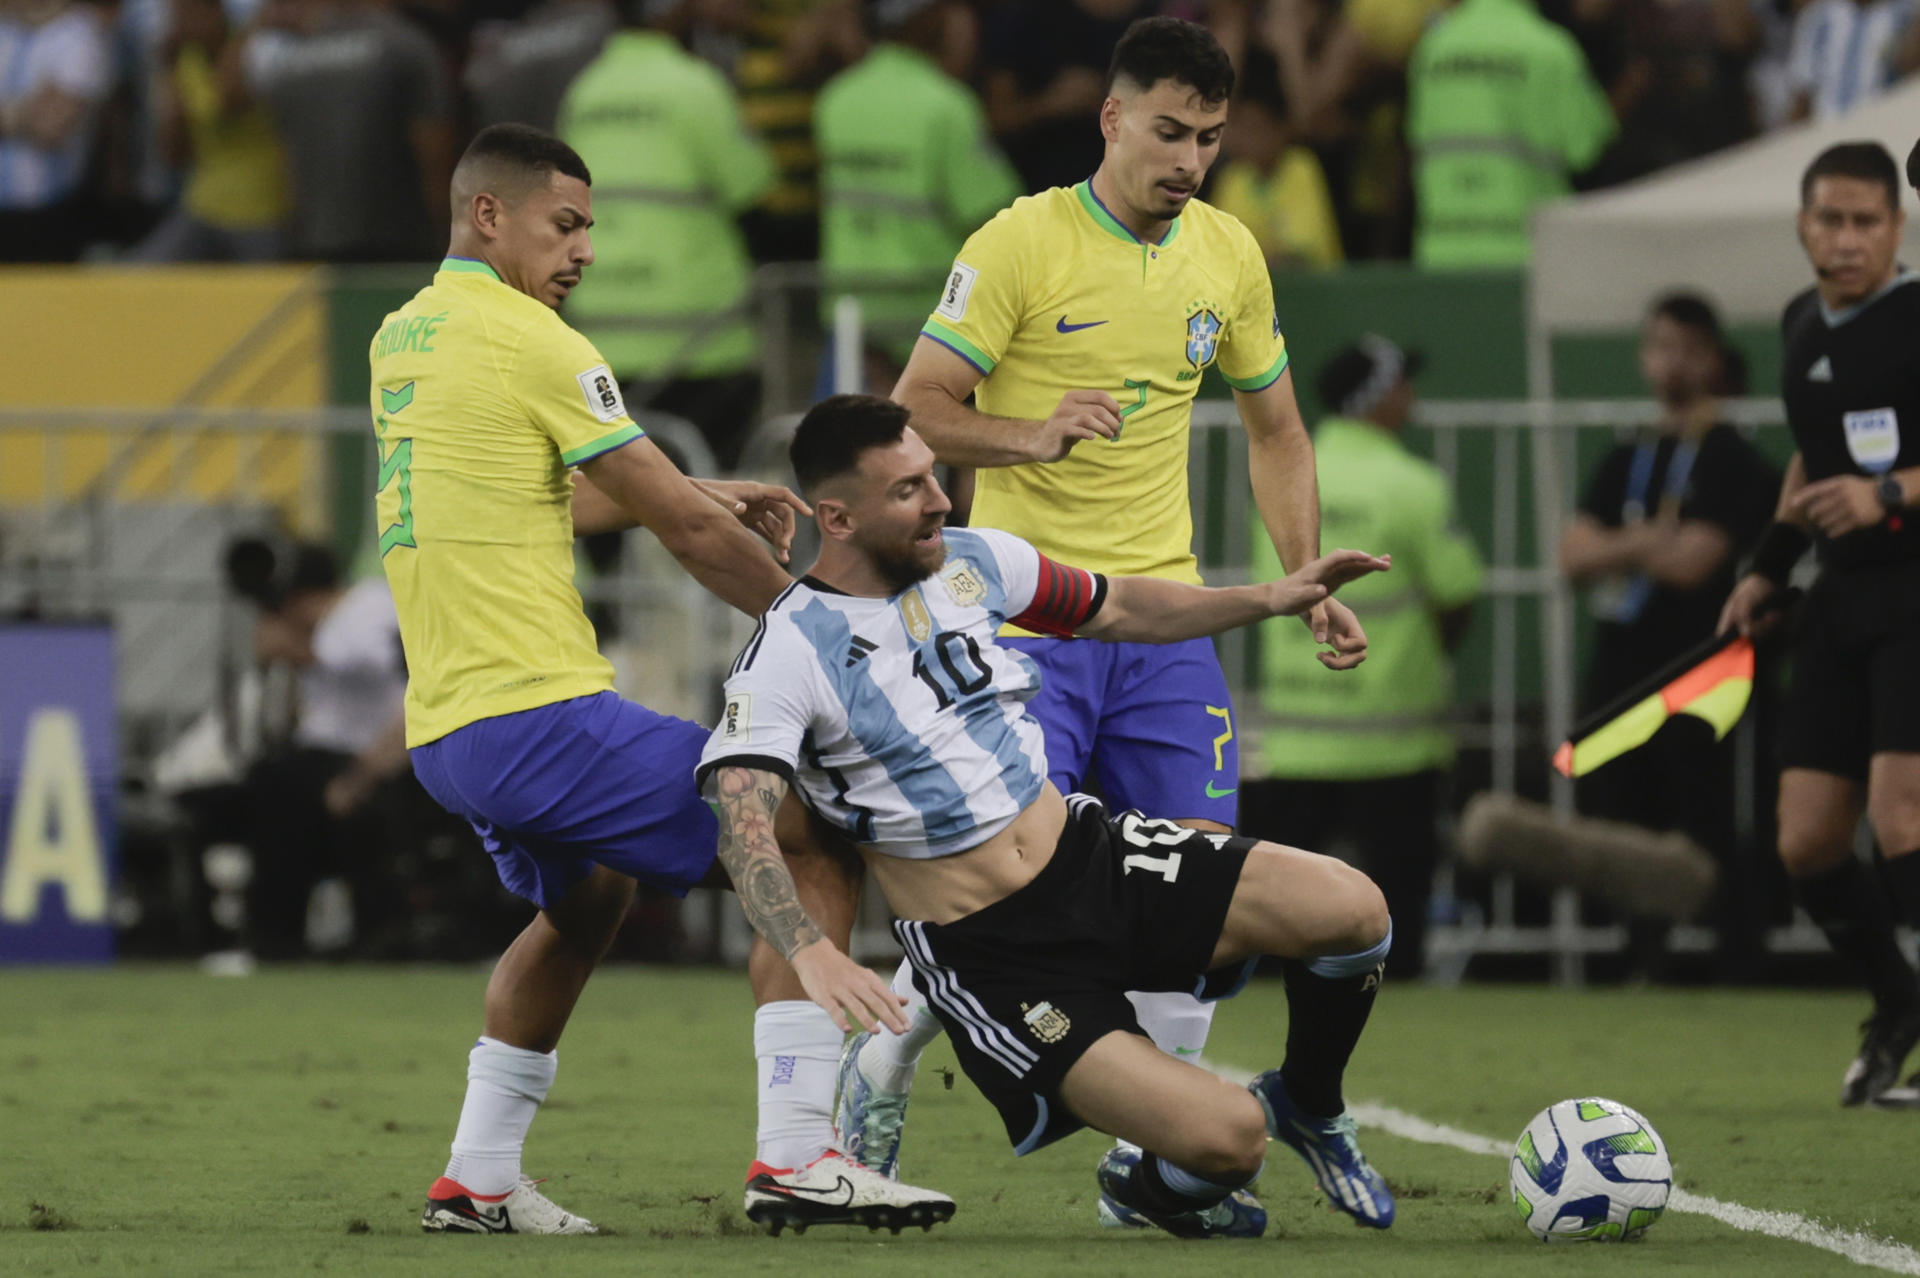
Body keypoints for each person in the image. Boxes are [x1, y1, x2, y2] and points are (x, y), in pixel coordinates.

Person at [372, 122, 951, 1235]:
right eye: (567, 223)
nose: (585, 249)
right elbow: (680, 530)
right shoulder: (538, 342)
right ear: (490, 216)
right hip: (537, 712)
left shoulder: (407, 336)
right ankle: (798, 1156)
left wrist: (690, 486)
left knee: (589, 897)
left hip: (450, 729)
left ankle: (477, 1179)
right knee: (806, 838)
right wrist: (823, 627)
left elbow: (523, 490)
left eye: (589, 227)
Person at [854, 17, 1372, 1231]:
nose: (1187, 159)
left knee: (1195, 898)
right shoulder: (1023, 240)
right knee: (1006, 887)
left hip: (1165, 627)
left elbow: (1279, 428)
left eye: (1207, 138)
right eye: (1167, 131)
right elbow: (913, 408)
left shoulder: (1228, 255)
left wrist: (1305, 581)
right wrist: (1026, 432)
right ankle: (879, 1059)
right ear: (1112, 120)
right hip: (1029, 625)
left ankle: (1147, 1170)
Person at [701, 394, 1397, 1239]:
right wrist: (809, 951)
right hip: (997, 953)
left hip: (1094, 856)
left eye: (932, 477)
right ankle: (1147, 1188)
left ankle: (1310, 1100)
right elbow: (741, 816)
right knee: (1230, 1142)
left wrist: (1273, 597)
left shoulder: (976, 560)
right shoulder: (789, 650)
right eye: (910, 490)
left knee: (1355, 910)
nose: (941, 501)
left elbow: (1119, 607)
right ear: (838, 516)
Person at [1719, 142, 1920, 1107]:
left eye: (1866, 221)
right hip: (1841, 597)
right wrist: (1766, 565)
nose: (1846, 239)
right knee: (1805, 842)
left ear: (1898, 227)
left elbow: (1869, 473)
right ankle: (1899, 1003)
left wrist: (1891, 491)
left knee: (1902, 814)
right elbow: (1813, 458)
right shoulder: (1804, 322)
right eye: (1830, 220)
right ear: (1802, 225)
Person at [1241, 337, 1483, 980]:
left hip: (1295, 735)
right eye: (1403, 383)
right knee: (1394, 909)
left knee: (1279, 910)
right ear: (1379, 397)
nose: (1411, 397)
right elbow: (1456, 596)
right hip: (1394, 738)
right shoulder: (1413, 484)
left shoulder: (1282, 478)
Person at [1560, 293, 1778, 970]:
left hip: (1705, 666)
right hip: (1625, 663)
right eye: (1658, 345)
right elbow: (1573, 557)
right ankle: (1638, 953)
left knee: (1708, 810)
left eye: (1685, 347)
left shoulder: (1732, 458)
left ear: (1712, 357)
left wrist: (1621, 545)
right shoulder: (1628, 453)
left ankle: (1731, 955)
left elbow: (1694, 564)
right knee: (1625, 808)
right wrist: (1649, 539)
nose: (1669, 362)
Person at [557, 0, 773, 470]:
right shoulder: (695, 85)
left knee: (615, 491)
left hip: (603, 333)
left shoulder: (586, 91)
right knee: (711, 493)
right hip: (702, 338)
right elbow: (753, 183)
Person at [813, 0, 1021, 381]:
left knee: (870, 431)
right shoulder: (945, 104)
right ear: (927, 22)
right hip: (932, 308)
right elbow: (991, 215)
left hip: (854, 305)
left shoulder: (837, 97)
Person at [225, 537, 411, 958]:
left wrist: (299, 651)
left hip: (379, 756)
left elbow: (381, 661)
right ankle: (276, 938)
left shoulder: (362, 611)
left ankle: (281, 938)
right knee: (268, 782)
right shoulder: (337, 622)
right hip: (332, 755)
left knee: (286, 791)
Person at [229, 0, 455, 263]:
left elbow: (285, 160)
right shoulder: (407, 44)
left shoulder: (291, 59)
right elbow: (434, 153)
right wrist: (447, 238)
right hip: (399, 245)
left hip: (312, 241)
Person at [1404, 0, 1615, 268]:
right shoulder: (1550, 48)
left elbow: (1415, 141)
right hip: (1526, 252)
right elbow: (1587, 148)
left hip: (1440, 249)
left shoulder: (1433, 48)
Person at [134, 0, 287, 262]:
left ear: (215, 11)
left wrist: (251, 27)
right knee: (141, 277)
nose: (179, 24)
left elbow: (228, 99)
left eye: (187, 13)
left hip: (259, 211)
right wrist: (167, 78)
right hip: (203, 206)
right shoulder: (185, 60)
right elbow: (175, 156)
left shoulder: (257, 49)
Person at [0, 0, 112, 262]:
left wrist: (17, 113)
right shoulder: (5, 30)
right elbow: (39, 117)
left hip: (44, 216)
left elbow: (52, 126)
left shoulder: (78, 35)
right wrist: (28, 110)